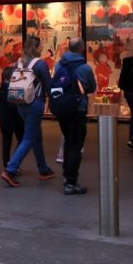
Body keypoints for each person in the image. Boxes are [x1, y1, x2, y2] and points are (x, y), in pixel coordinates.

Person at [0, 35, 57, 187]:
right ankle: (10, 170)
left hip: (21, 103)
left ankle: (43, 169)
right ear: (37, 47)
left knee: (35, 136)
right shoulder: (40, 64)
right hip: (34, 104)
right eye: (41, 45)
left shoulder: (20, 62)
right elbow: (48, 85)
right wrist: (55, 102)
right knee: (29, 138)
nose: (43, 47)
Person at [52, 37, 97, 195]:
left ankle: (67, 176)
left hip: (62, 109)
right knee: (76, 145)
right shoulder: (84, 68)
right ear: (81, 48)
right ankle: (71, 182)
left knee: (68, 141)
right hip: (78, 109)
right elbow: (92, 87)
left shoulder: (59, 64)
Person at [0, 65, 24, 172]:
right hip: (14, 120)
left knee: (6, 141)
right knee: (22, 140)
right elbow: (16, 105)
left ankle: (7, 163)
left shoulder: (1, 88)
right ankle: (13, 163)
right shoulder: (12, 89)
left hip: (4, 120)